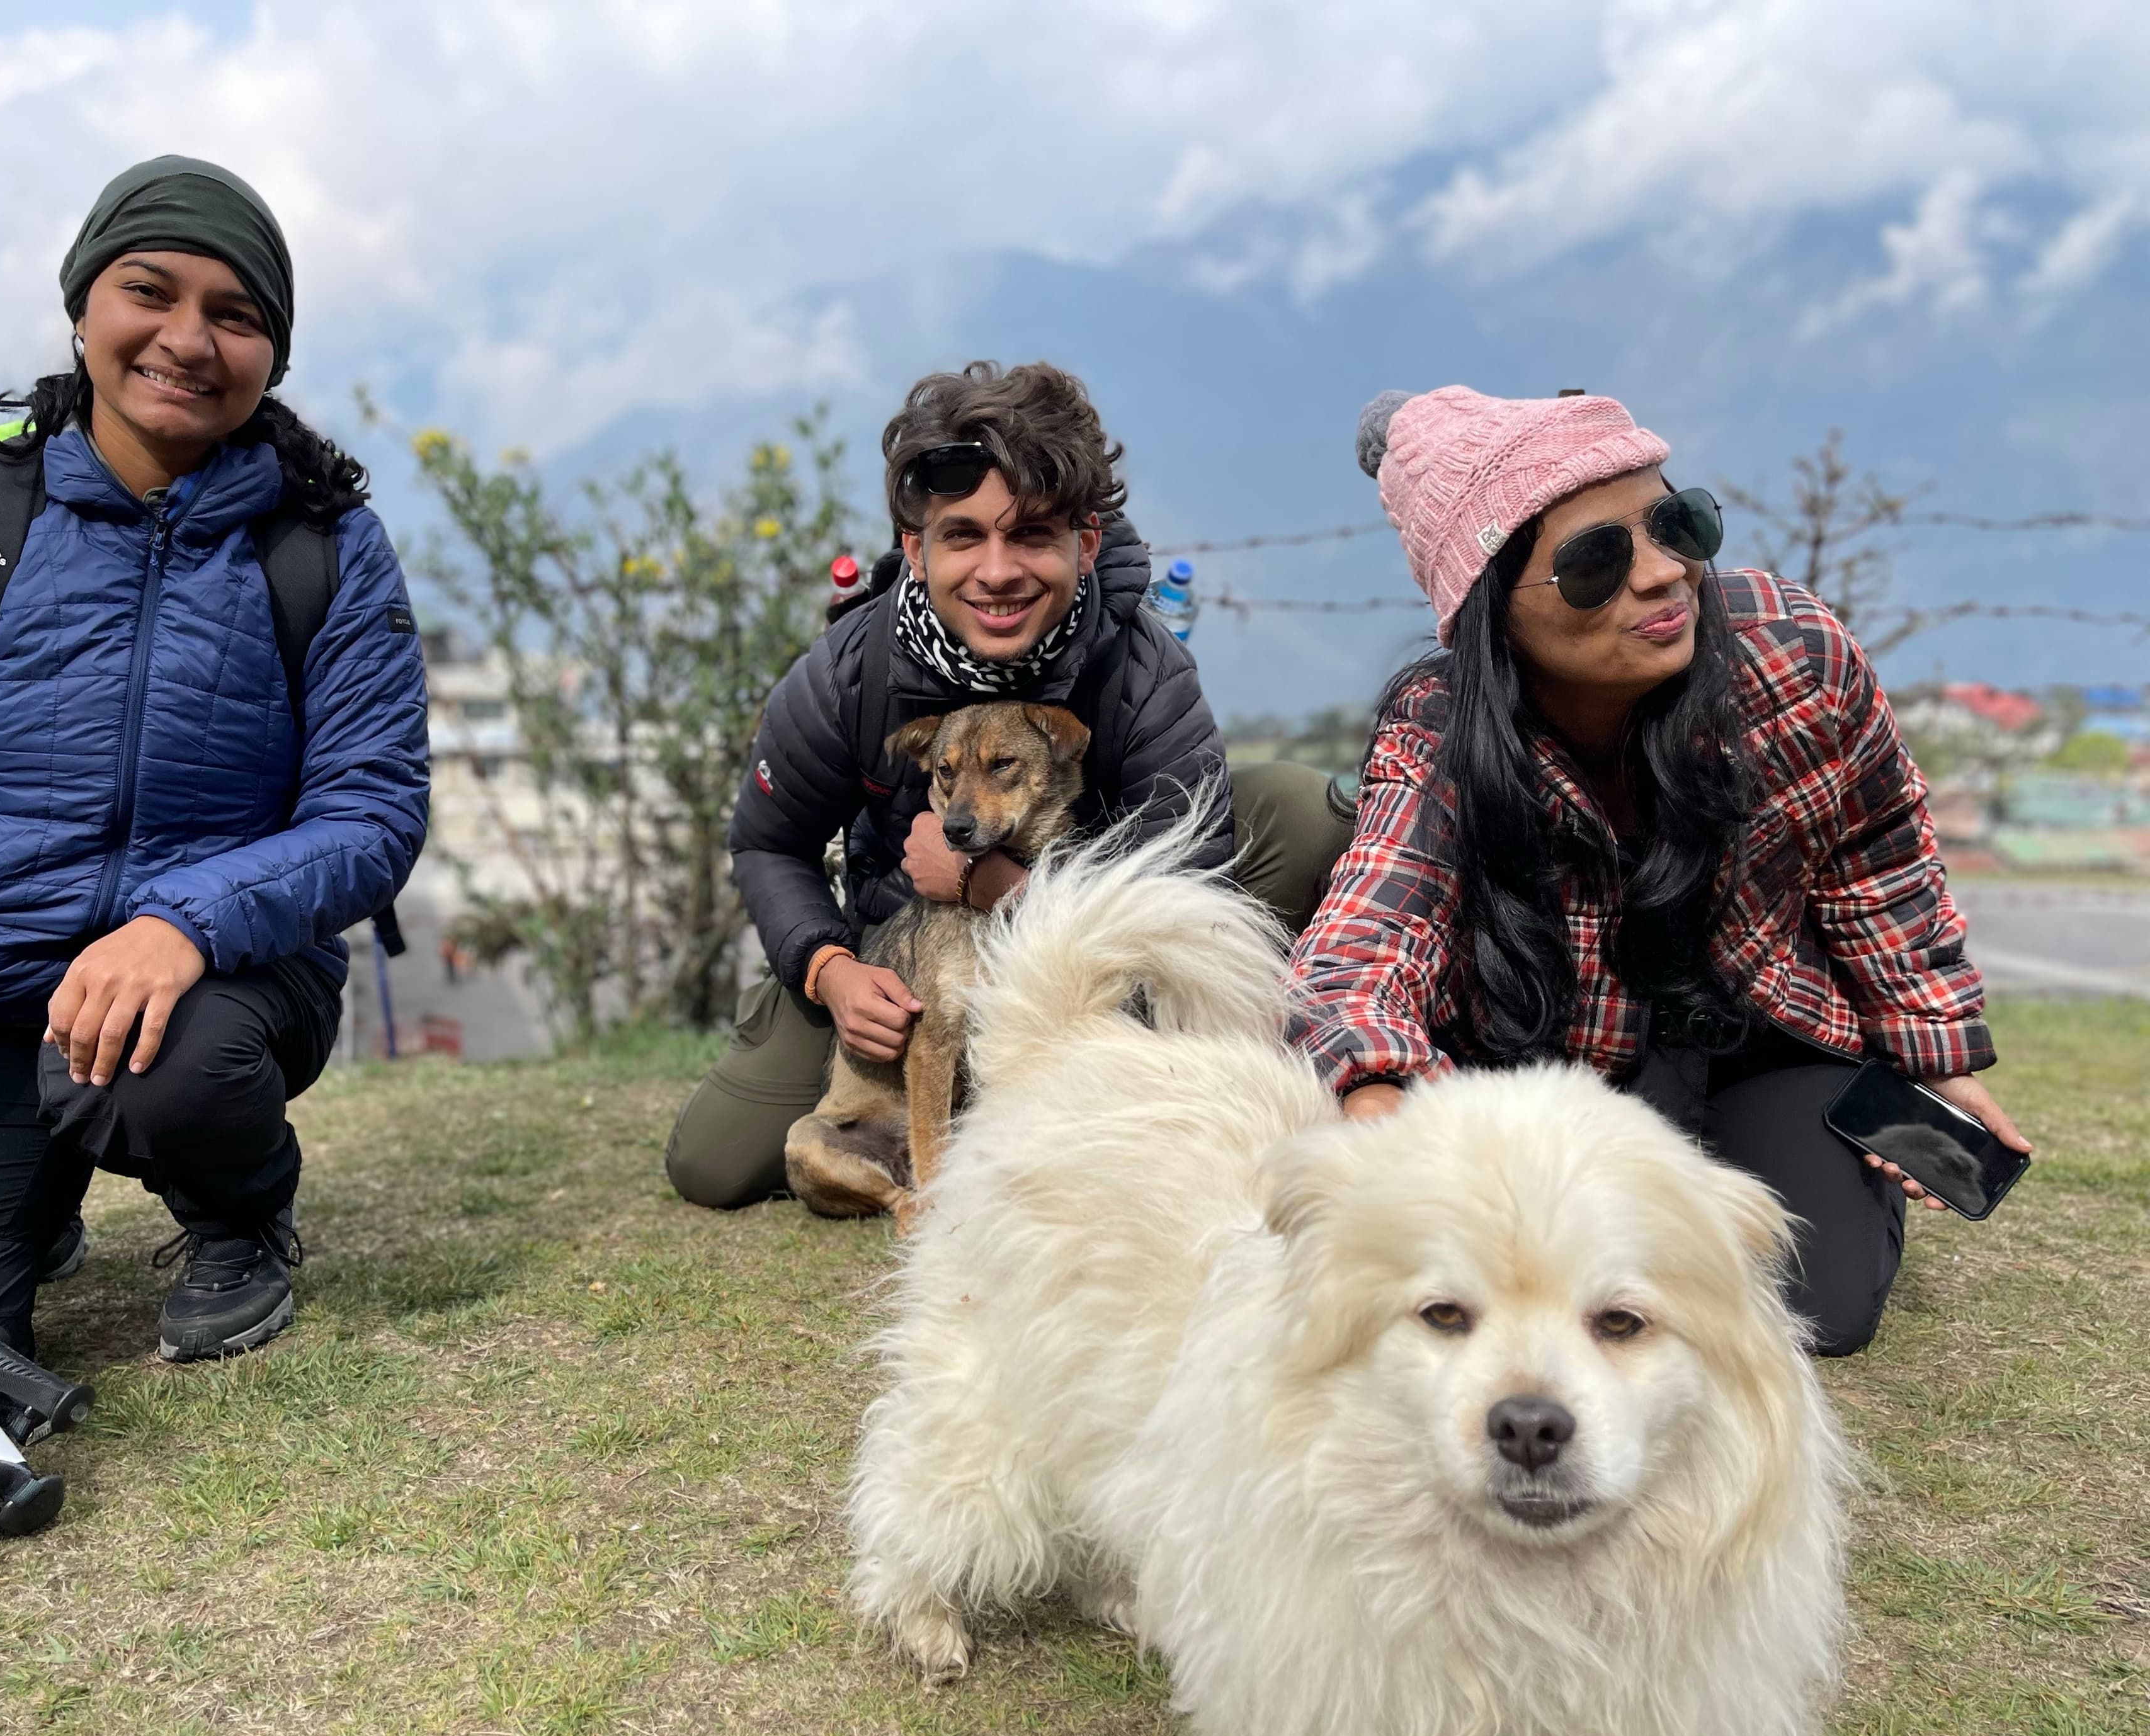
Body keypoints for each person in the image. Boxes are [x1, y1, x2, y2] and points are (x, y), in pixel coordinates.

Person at [0, 156, 429, 1388]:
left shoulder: (323, 546)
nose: (188, 339)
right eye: (148, 293)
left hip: (209, 994)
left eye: (237, 315)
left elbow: (373, 814)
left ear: (273, 351)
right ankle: (26, 1192)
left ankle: (242, 1212)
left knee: (159, 1075)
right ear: (82, 305)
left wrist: (184, 922)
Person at [1289, 383, 2028, 1356]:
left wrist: (1938, 1051)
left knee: (1816, 1311)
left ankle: (1770, 1165)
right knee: (1564, 1271)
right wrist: (1379, 1091)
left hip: (1758, 1034)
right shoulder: (1442, 728)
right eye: (1596, 560)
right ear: (1490, 607)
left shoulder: (1793, 655)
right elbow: (1368, 933)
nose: (1663, 575)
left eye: (1676, 523)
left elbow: (1877, 849)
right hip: (1553, 1055)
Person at [664, 360, 1351, 1209]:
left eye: (1031, 534)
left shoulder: (1142, 672)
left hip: (1082, 969)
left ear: (1084, 544)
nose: (998, 570)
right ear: (914, 549)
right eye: (964, 536)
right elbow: (769, 842)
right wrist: (830, 969)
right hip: (898, 963)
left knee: (1293, 806)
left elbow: (1188, 878)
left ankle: (1194, 1067)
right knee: (713, 1164)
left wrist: (991, 885)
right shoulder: (852, 671)